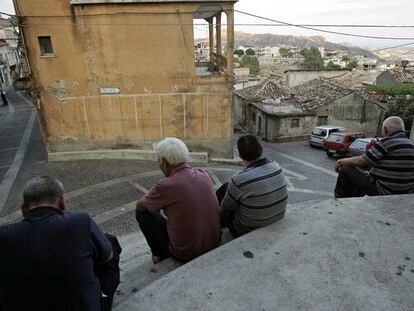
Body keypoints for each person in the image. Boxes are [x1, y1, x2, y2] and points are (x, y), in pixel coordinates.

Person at [0, 176, 116, 311]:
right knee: (110, 241)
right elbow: (107, 256)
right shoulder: (80, 220)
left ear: (24, 209)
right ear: (61, 203)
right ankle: (100, 296)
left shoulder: (4, 235)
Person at [135, 137, 221, 264]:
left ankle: (159, 254)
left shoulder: (165, 186)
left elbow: (140, 206)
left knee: (142, 214)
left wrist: (155, 204)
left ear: (164, 162)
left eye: (159, 162)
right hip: (214, 243)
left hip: (186, 253)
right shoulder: (203, 174)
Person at [216, 134, 288, 237]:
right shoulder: (276, 166)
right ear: (262, 148)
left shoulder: (239, 179)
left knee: (226, 189)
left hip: (245, 229)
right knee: (231, 188)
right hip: (277, 217)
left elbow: (224, 208)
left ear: (241, 156)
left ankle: (215, 225)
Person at [334, 116, 414, 198]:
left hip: (383, 190)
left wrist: (340, 161)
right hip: (404, 192)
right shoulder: (411, 145)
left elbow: (361, 161)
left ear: (385, 129)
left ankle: (339, 200)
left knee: (345, 169)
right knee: (364, 175)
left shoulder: (386, 142)